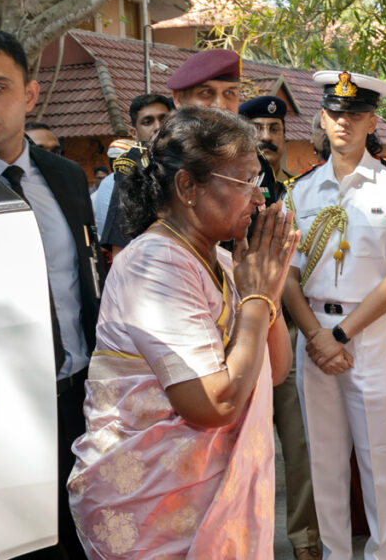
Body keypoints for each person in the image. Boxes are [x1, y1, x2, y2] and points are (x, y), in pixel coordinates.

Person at [68, 106, 299, 558]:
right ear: (188, 187)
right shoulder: (156, 262)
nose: (259, 198)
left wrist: (266, 290)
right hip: (158, 510)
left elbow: (273, 372)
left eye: (260, 182)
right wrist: (256, 301)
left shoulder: (227, 262)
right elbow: (214, 404)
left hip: (205, 500)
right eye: (245, 182)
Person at [0, 26, 106, 559]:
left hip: (78, 399)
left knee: (90, 536)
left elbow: (84, 281)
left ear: (30, 94)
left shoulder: (64, 176)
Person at [282, 70, 386, 560]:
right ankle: (334, 554)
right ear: (322, 118)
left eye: (356, 115)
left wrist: (339, 334)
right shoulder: (300, 192)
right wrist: (316, 335)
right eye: (336, 114)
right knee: (323, 460)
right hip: (312, 332)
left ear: (372, 121)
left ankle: (385, 555)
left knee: (380, 458)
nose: (344, 123)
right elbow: (287, 276)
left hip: (370, 335)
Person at [240, 95, 323, 559]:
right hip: (233, 335)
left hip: (285, 332)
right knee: (243, 450)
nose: (267, 137)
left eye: (274, 129)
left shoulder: (296, 193)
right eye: (258, 128)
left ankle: (304, 539)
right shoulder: (227, 190)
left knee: (300, 444)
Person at [166, 49, 282, 207]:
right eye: (206, 93)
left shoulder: (256, 163)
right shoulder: (156, 164)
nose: (220, 105)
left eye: (229, 93)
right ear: (179, 99)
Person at [97, 93, 174, 255]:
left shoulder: (194, 160)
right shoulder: (130, 170)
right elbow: (121, 241)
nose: (157, 126)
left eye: (164, 119)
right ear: (134, 133)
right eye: (148, 122)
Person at [241, 95, 297, 183]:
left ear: (284, 138)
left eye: (274, 130)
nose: (266, 137)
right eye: (256, 129)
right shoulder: (230, 187)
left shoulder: (301, 187)